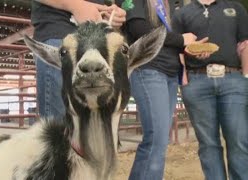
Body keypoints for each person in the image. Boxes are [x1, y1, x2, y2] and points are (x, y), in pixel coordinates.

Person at [122, 0, 204, 179]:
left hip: (171, 73)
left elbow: (178, 37)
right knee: (156, 139)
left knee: (159, 141)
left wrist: (192, 47)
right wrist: (181, 39)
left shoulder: (175, 3)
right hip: (148, 69)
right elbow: (139, 29)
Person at [173, 0, 248, 179]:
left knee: (239, 139)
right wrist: (184, 80)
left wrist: (246, 76)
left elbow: (245, 43)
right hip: (197, 82)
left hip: (233, 80)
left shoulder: (236, 8)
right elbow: (177, 48)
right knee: (208, 144)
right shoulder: (182, 13)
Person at [31, 0, 127, 120]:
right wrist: (76, 6)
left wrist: (110, 12)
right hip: (60, 36)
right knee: (60, 129)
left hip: (93, 40)